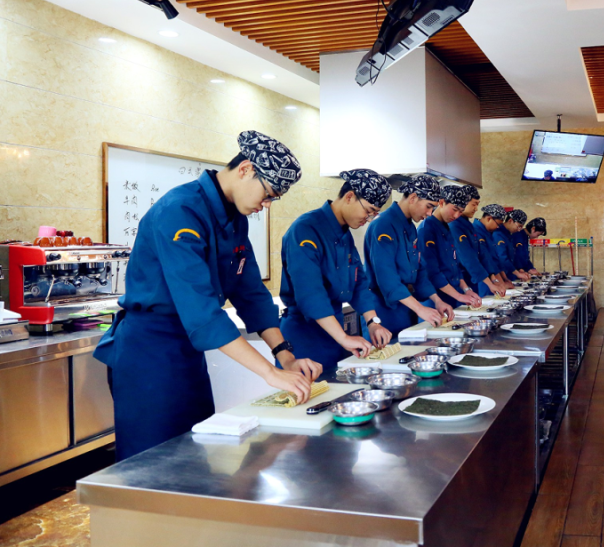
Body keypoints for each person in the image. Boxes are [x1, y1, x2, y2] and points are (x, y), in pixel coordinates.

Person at [94, 131, 321, 460]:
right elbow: (201, 311)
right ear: (245, 169)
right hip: (150, 353)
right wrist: (270, 373)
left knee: (195, 451)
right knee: (151, 461)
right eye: (268, 195)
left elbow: (251, 293)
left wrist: (284, 355)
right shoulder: (180, 211)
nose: (265, 206)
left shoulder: (234, 219)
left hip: (188, 352)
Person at [278, 169, 395, 373]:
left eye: (374, 214)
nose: (368, 219)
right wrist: (344, 338)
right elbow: (310, 294)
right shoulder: (305, 230)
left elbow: (359, 283)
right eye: (368, 211)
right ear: (349, 197)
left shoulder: (344, 233)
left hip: (334, 332)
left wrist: (373, 322)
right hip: (304, 335)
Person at [363, 174, 455, 335]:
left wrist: (437, 301)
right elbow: (387, 277)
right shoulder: (383, 225)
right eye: (428, 206)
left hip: (407, 306)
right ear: (413, 198)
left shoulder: (410, 227)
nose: (429, 213)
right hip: (384, 308)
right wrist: (420, 309)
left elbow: (419, 270)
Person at [418, 184, 483, 308]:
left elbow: (455, 265)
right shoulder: (427, 229)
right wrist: (459, 296)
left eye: (461, 212)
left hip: (451, 294)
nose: (456, 215)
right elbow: (431, 271)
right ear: (441, 202)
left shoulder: (447, 227)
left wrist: (466, 290)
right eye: (455, 209)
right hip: (435, 299)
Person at [450, 185, 508, 297]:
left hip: (475, 280)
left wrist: (494, 280)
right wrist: (490, 283)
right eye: (474, 204)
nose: (476, 208)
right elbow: (468, 258)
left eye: (478, 204)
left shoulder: (469, 226)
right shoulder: (454, 226)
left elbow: (483, 255)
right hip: (462, 282)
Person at [475, 204, 516, 290]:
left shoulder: (488, 233)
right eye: (498, 224)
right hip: (485, 280)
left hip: (494, 278)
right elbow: (485, 260)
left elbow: (495, 259)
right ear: (489, 219)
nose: (497, 227)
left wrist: (504, 279)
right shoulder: (476, 232)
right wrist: (497, 282)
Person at [494, 210, 532, 282]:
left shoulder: (509, 235)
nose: (519, 230)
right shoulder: (498, 234)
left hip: (509, 275)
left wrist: (519, 269)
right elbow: (502, 257)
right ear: (510, 221)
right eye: (519, 226)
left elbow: (513, 256)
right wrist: (517, 273)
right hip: (499, 277)